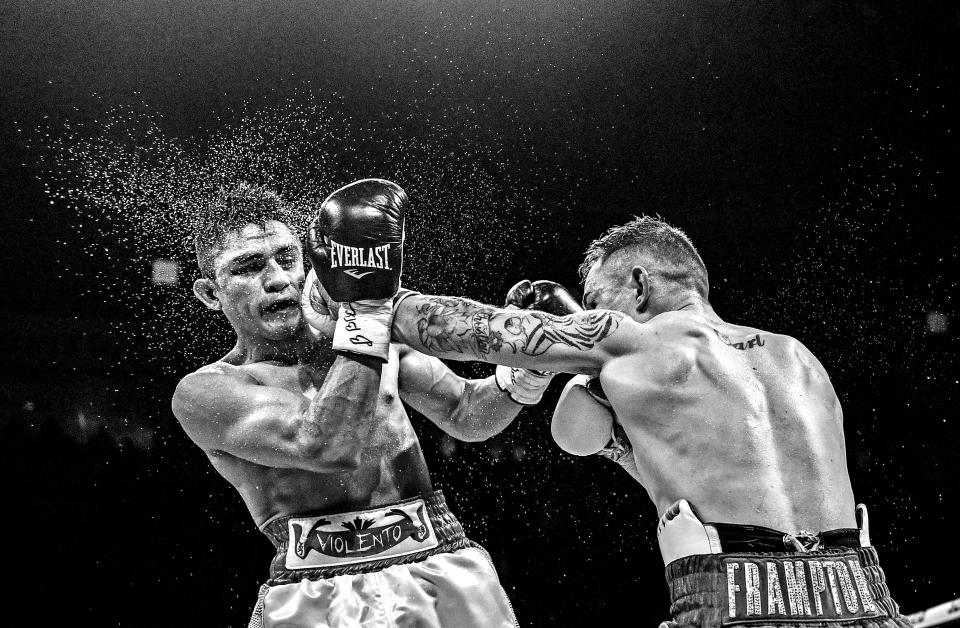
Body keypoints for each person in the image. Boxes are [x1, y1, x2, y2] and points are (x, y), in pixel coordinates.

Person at [379, 207, 911, 626]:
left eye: (595, 301)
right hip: (861, 589)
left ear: (638, 285)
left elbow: (474, 332)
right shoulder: (798, 356)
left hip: (734, 592)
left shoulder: (629, 341)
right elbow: (615, 450)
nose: (587, 316)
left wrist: (368, 287)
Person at [172, 181, 550, 628]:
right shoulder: (205, 392)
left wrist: (527, 369)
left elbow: (466, 413)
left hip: (439, 563)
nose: (276, 279)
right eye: (249, 267)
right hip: (314, 592)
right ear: (209, 293)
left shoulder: (366, 335)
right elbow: (323, 445)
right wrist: (367, 315)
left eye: (287, 259)